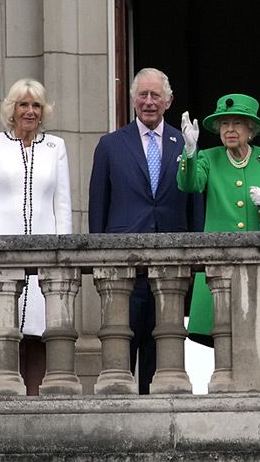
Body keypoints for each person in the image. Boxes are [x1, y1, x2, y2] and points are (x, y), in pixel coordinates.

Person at [88, 68, 203, 395]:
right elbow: (98, 208)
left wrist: (195, 260)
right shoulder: (110, 145)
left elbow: (196, 203)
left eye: (156, 96)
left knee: (164, 352)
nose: (149, 102)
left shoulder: (185, 144)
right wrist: (99, 260)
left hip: (171, 267)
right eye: (143, 95)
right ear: (133, 99)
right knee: (120, 350)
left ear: (168, 101)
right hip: (124, 269)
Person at [0, 78, 72, 395]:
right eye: (24, 104)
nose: (30, 111)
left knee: (38, 332)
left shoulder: (55, 148)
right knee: (3, 330)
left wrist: (62, 256)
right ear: (12, 109)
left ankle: (36, 406)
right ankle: (3, 400)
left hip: (43, 254)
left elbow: (62, 205)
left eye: (36, 105)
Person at [178, 93, 260, 344]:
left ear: (250, 129)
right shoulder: (208, 157)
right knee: (223, 340)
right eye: (224, 124)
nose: (229, 129)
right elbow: (190, 185)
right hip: (220, 265)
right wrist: (190, 151)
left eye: (237, 123)